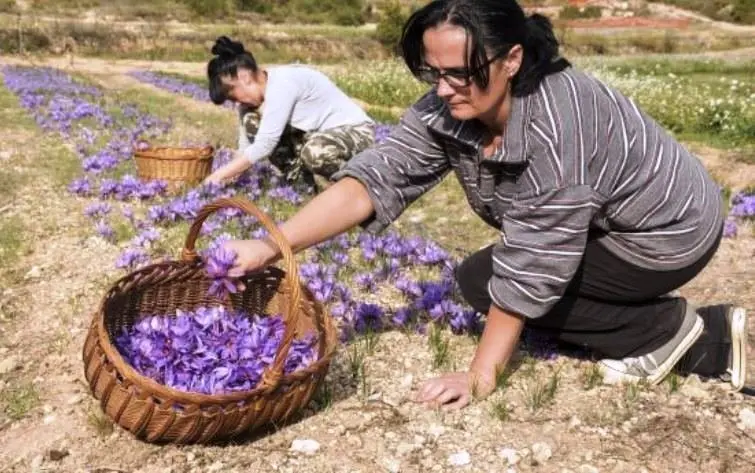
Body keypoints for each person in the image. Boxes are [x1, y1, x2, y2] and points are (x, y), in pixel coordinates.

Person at [221, 0, 749, 410]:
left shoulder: (556, 125)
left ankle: (686, 335)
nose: (446, 89)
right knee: (482, 280)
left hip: (668, 232)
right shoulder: (450, 107)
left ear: (512, 58)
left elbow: (535, 262)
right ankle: (654, 321)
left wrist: (481, 374)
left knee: (488, 283)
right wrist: (271, 245)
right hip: (610, 224)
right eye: (434, 73)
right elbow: (373, 180)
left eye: (462, 72)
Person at [203, 36, 376, 190]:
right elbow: (245, 146)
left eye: (233, 96)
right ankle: (302, 186)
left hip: (355, 132)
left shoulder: (282, 84)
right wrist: (230, 179)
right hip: (315, 136)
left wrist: (217, 177)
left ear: (244, 77)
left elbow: (265, 144)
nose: (237, 103)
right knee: (251, 121)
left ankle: (360, 186)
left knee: (315, 153)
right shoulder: (249, 104)